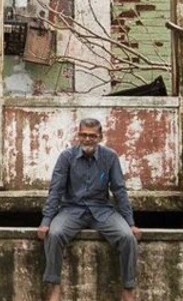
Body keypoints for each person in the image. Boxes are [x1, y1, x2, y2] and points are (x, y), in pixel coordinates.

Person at [37, 117, 141, 301]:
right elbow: (56, 190)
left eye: (92, 136)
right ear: (78, 135)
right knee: (55, 234)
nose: (87, 139)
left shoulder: (110, 157)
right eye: (83, 135)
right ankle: (54, 287)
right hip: (71, 210)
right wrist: (46, 222)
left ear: (100, 137)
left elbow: (119, 190)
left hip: (102, 211)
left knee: (127, 237)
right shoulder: (66, 157)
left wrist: (131, 223)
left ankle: (128, 289)